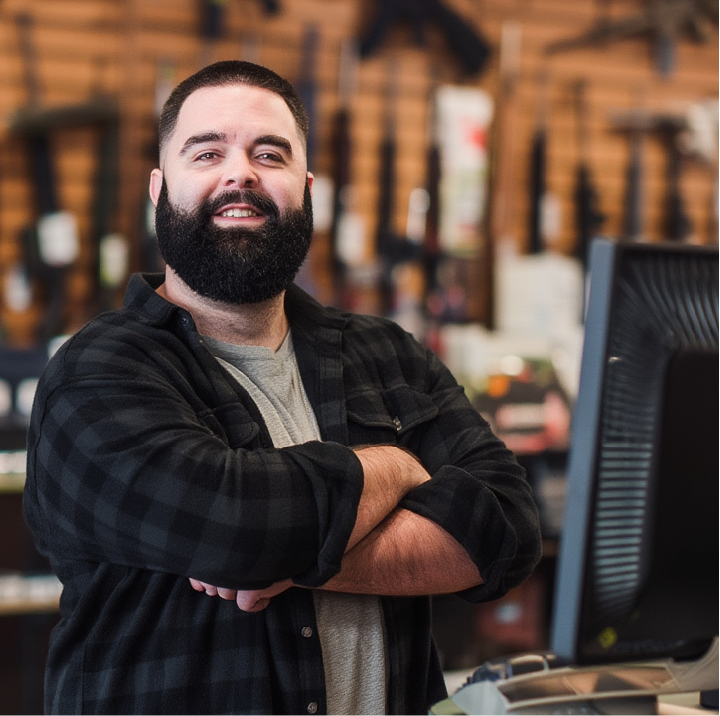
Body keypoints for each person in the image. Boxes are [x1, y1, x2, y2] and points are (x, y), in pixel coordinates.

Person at [24, 60, 542, 716]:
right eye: (207, 151)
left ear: (306, 186)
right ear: (160, 189)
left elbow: (509, 529)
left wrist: (285, 549)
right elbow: (236, 532)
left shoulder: (387, 355)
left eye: (269, 153)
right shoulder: (95, 376)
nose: (239, 171)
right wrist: (401, 469)